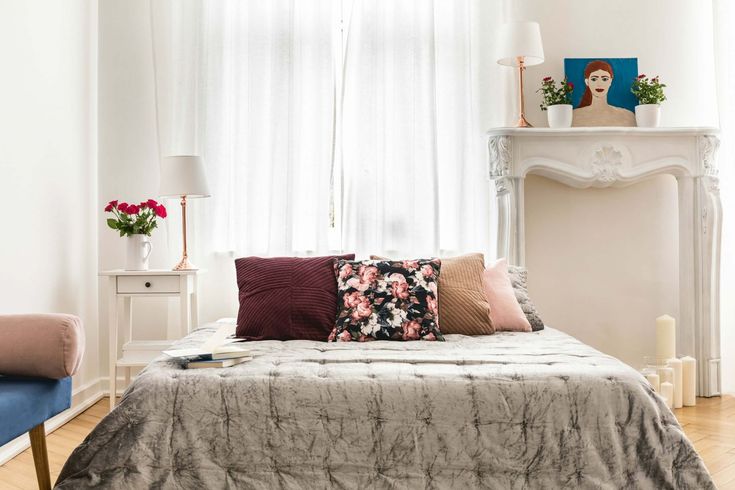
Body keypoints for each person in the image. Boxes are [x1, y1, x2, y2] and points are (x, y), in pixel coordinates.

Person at [572, 60, 635, 127]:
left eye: (604, 79)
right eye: (594, 79)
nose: (599, 84)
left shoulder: (628, 116)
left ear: (610, 81)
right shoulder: (574, 115)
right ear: (587, 82)